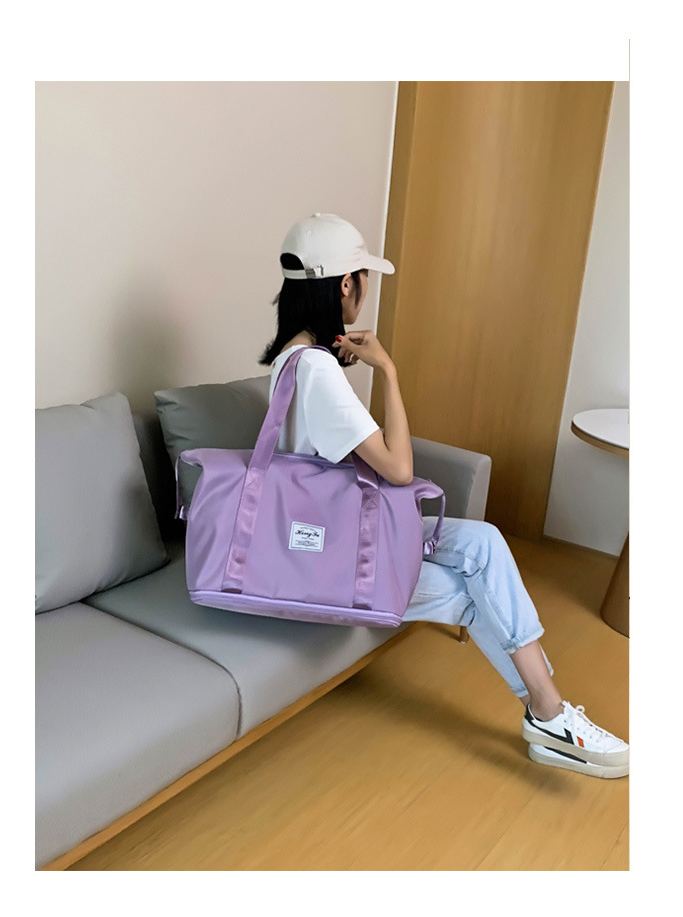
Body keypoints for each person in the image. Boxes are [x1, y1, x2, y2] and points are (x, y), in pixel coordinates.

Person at [258, 213, 629, 779]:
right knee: (477, 589)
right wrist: (388, 371)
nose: (364, 291)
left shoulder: (290, 361)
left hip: (319, 540)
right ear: (346, 285)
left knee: (484, 544)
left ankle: (550, 715)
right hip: (330, 566)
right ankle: (550, 718)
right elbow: (399, 469)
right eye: (364, 279)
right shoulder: (320, 373)